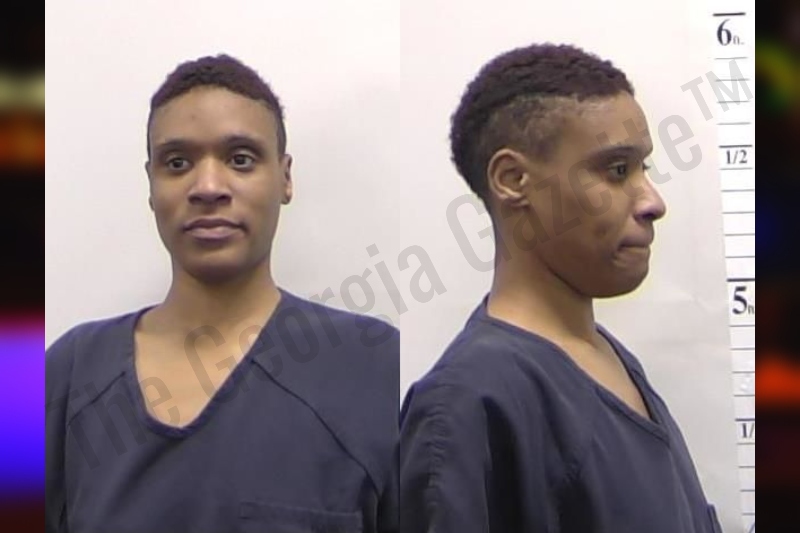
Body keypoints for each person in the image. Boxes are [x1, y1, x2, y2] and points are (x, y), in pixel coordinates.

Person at [45, 54, 398, 533]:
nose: (208, 187)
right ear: (151, 185)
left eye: (240, 159)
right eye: (177, 163)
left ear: (285, 177)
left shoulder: (374, 368)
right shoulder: (64, 376)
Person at [399, 43, 723, 533]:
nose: (652, 202)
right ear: (513, 180)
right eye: (617, 170)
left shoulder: (607, 359)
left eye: (644, 169)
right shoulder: (468, 404)